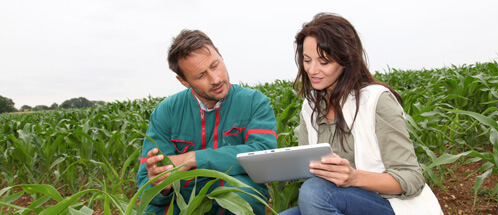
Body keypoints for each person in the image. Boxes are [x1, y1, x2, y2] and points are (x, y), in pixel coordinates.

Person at [279, 13, 443, 215]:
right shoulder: (311, 106)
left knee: (315, 191)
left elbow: (411, 177)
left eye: (323, 62)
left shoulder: (376, 100)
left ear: (345, 60)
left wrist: (353, 177)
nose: (312, 70)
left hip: (390, 205)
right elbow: (309, 170)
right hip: (336, 199)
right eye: (306, 60)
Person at [136, 29, 278, 215]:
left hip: (234, 198)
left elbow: (264, 154)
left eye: (215, 65)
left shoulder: (254, 102)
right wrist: (160, 186)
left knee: (242, 193)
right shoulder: (166, 112)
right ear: (183, 81)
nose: (216, 79)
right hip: (183, 204)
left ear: (220, 53)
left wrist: (194, 158)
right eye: (201, 76)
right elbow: (147, 181)